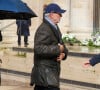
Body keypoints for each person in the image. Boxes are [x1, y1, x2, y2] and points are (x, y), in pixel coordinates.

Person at [30, 3, 68, 90]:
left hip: (50, 74)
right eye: (59, 13)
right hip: (45, 75)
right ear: (51, 14)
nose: (61, 16)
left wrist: (63, 54)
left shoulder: (54, 27)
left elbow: (62, 45)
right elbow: (38, 48)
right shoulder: (44, 28)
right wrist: (58, 49)